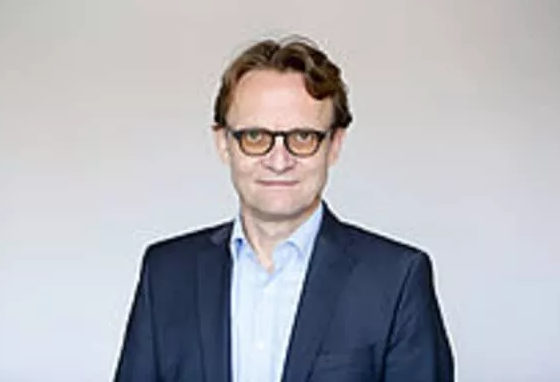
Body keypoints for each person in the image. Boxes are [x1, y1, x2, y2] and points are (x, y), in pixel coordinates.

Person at [114, 36, 454, 382]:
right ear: (223, 143)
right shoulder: (166, 273)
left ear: (334, 144)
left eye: (303, 137)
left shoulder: (396, 280)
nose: (279, 161)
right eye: (255, 137)